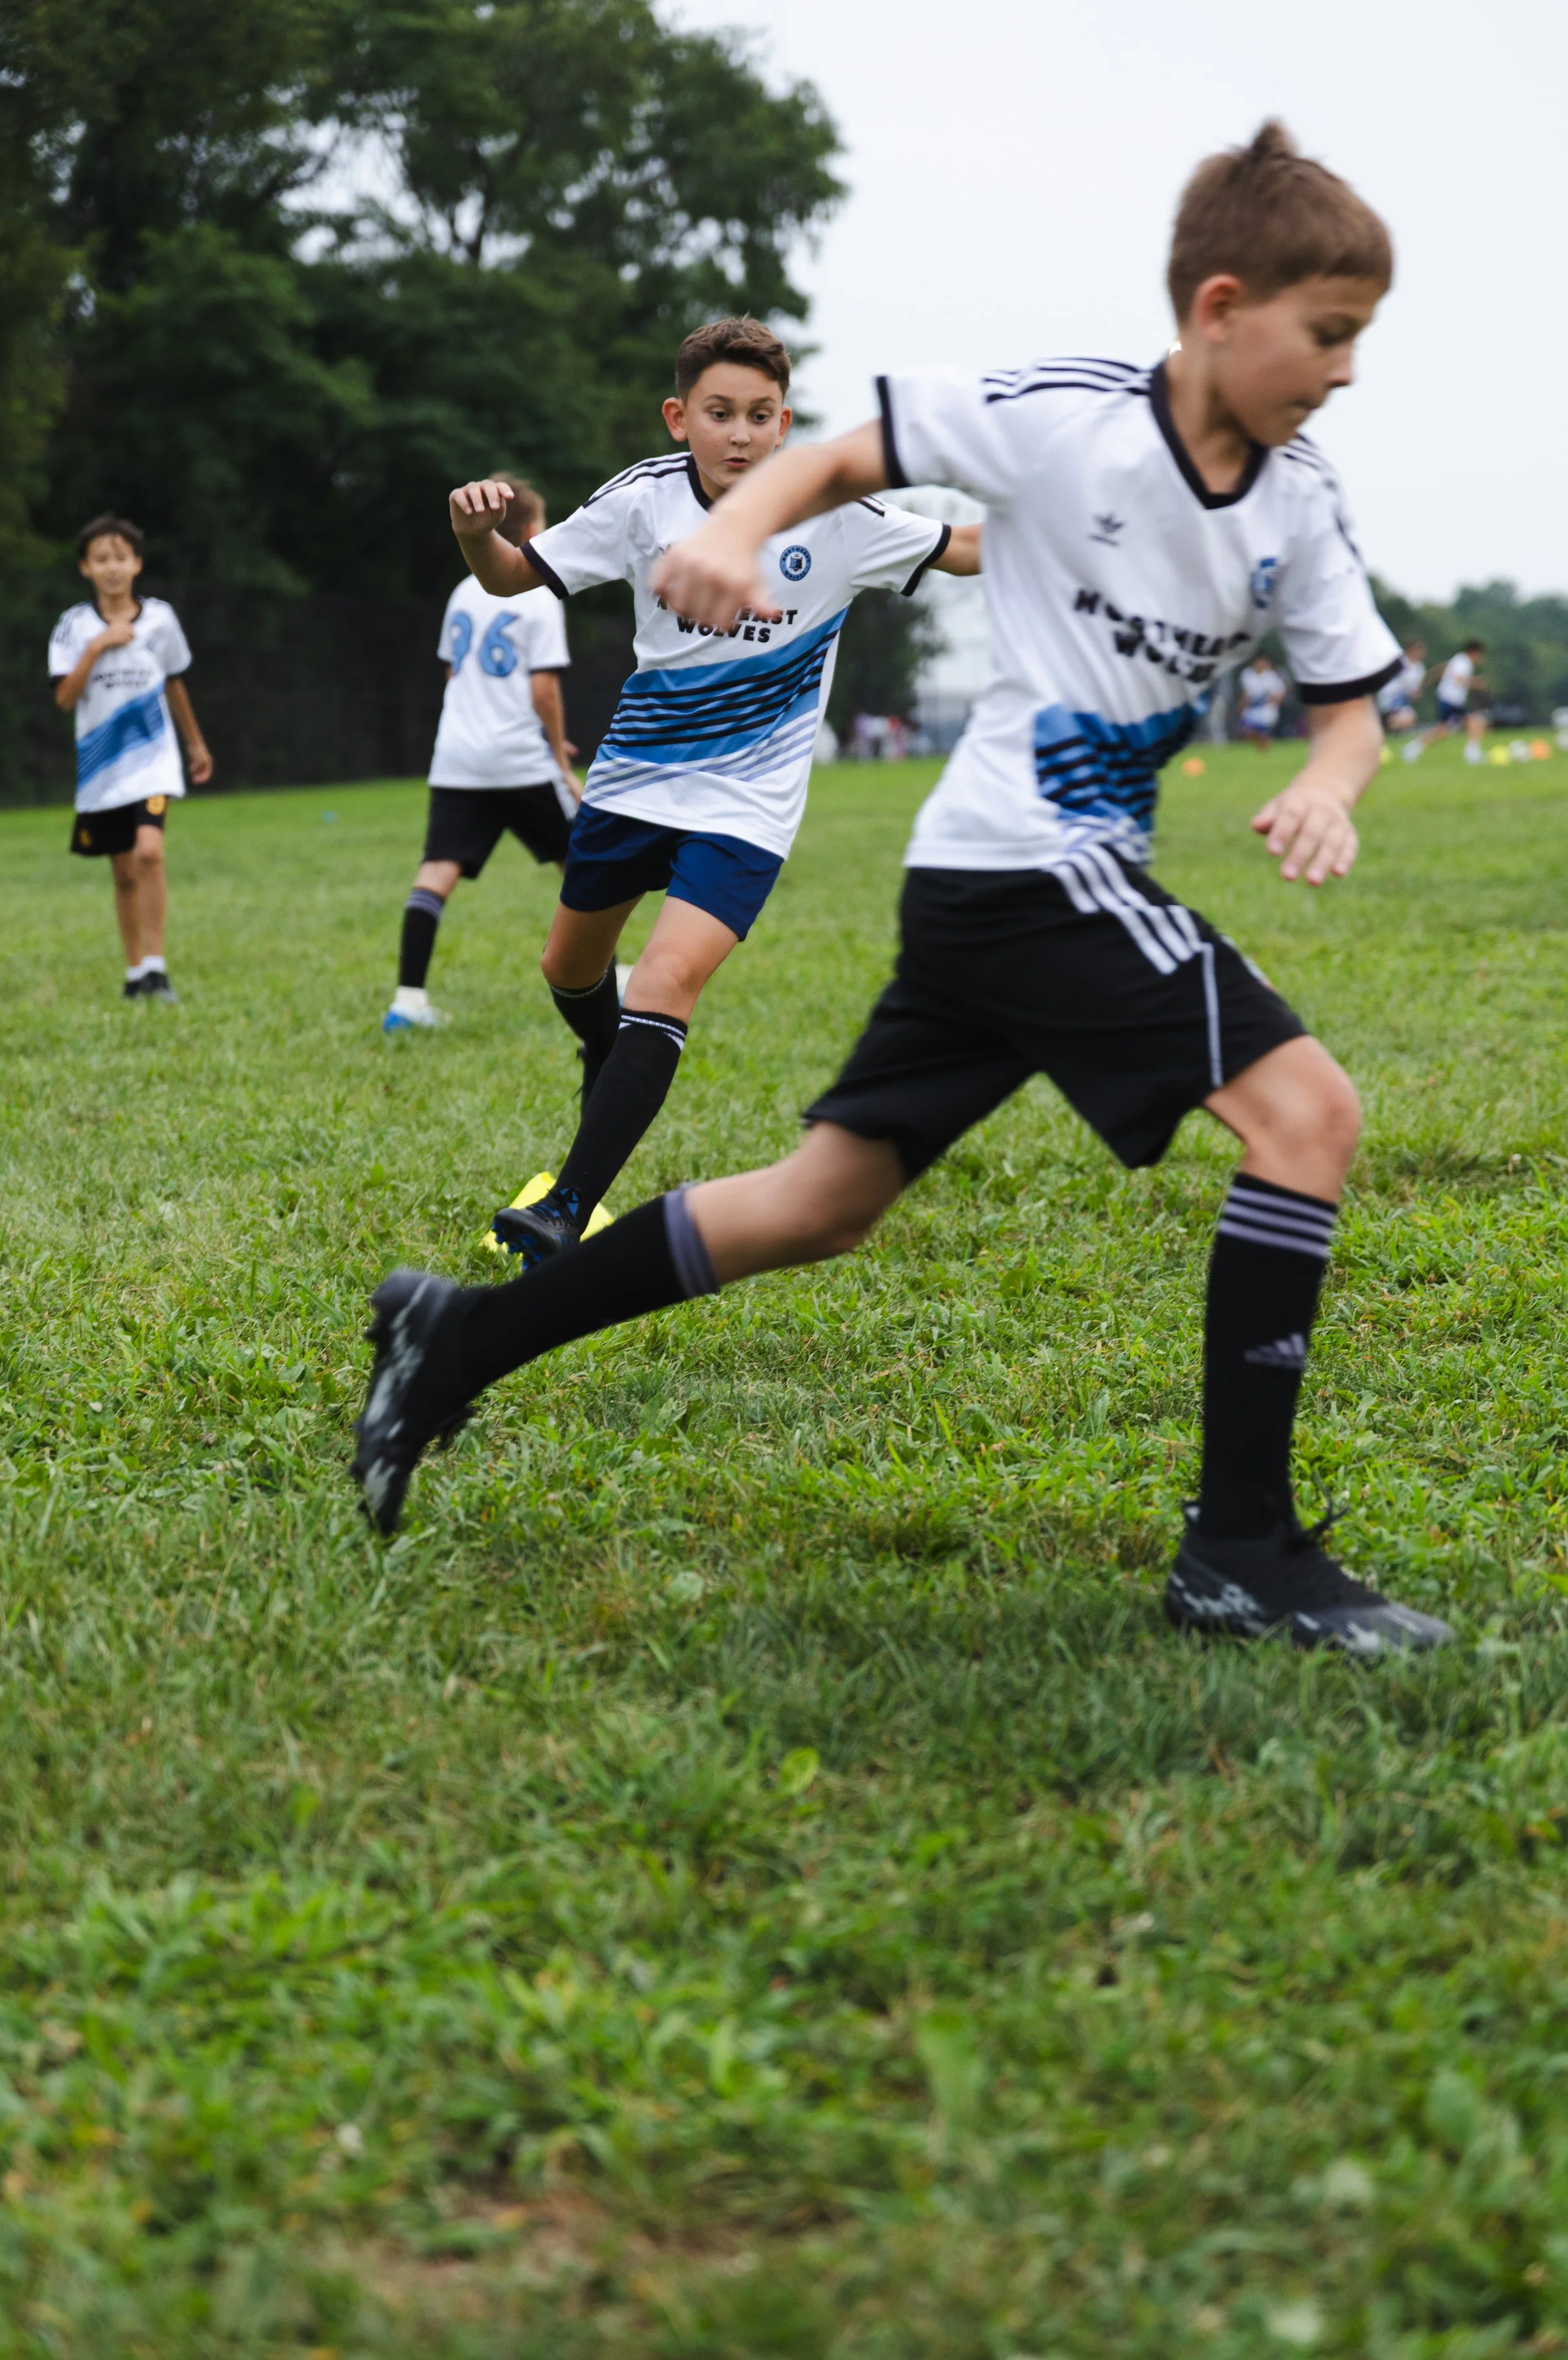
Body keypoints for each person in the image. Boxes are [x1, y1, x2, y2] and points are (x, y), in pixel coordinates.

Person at [353, 122, 1455, 1657]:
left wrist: (1331, 782)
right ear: (1218, 308)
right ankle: (1242, 1550)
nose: (1342, 368)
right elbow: (851, 443)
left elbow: (1349, 704)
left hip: (1002, 881)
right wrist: (736, 526)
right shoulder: (1071, 414)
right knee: (1310, 1114)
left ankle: (456, 1330)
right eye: (1325, 332)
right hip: (1025, 864)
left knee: (820, 1201)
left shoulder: (1298, 498)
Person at [445, 316, 980, 1266]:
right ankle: (606, 1060)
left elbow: (963, 548)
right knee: (569, 971)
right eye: (720, 412)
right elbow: (513, 579)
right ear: (678, 417)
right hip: (633, 783)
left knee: (665, 981)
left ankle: (566, 1207)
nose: (740, 432)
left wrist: (1085, 517)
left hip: (747, 807)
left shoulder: (840, 519)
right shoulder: (644, 501)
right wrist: (473, 535)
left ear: (785, 426)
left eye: (761, 414)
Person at [384, 475, 581, 1035]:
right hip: (519, 758)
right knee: (584, 865)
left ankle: (409, 1000)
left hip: (458, 757)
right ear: (529, 531)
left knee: (436, 872)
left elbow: (454, 673)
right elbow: (544, 690)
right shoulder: (540, 593)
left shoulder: (463, 590)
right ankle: (604, 976)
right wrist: (560, 765)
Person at [49, 515, 211, 1001]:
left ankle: (158, 967)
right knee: (122, 871)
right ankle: (134, 971)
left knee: (148, 852)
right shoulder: (74, 627)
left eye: (121, 557)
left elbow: (175, 682)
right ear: (85, 568)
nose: (113, 567)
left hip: (154, 762)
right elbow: (64, 698)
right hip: (103, 770)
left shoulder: (160, 620)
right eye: (102, 559)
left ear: (137, 563)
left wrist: (195, 744)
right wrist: (97, 647)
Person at [1404, 639, 1486, 764]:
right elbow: (1459, 679)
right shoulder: (1463, 661)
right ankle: (1472, 754)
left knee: (1444, 730)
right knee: (1476, 721)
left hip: (1450, 699)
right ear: (1474, 652)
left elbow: (1443, 670)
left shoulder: (1460, 660)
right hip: (1450, 699)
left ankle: (1414, 747)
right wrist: (1476, 682)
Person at [1235, 652, 1287, 749]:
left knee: (1263, 733)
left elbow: (1280, 693)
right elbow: (1244, 692)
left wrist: (1271, 700)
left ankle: (1264, 749)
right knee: (1247, 731)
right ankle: (1260, 746)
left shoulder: (1272, 676)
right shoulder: (1247, 674)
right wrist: (1241, 705)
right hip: (1251, 708)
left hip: (1266, 709)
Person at [1376, 637, 1425, 732]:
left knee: (1410, 718)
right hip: (1389, 697)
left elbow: (1413, 691)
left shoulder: (1419, 668)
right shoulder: (1399, 663)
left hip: (1403, 701)